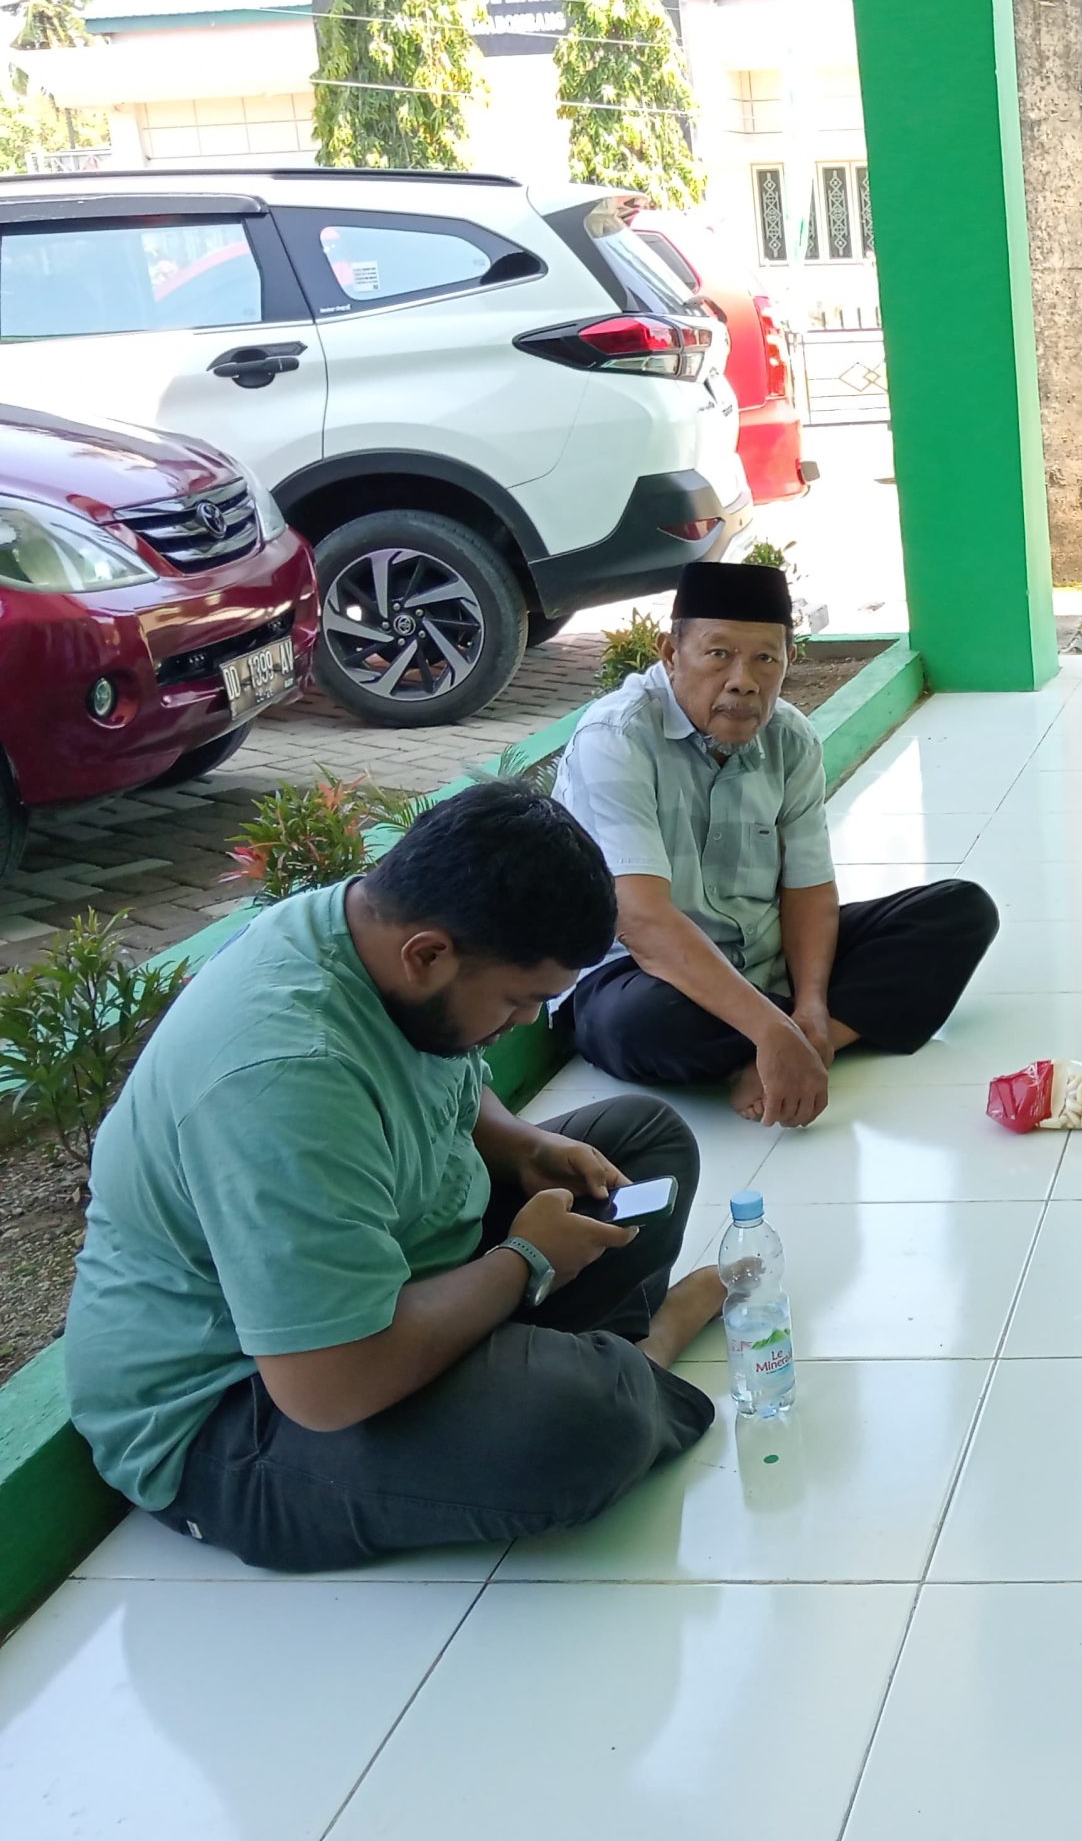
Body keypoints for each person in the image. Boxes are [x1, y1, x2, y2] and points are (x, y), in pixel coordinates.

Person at [64, 785, 727, 1573]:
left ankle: (585, 1363)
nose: (525, 1022)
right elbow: (327, 1386)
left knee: (643, 1140)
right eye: (518, 1001)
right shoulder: (282, 1078)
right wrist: (524, 1262)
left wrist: (520, 1146)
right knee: (583, 1424)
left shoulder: (364, 930)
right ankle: (639, 1358)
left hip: (394, 1270)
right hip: (244, 1411)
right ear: (428, 955)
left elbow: (448, 1067)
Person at [555, 558, 999, 1128]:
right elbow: (642, 922)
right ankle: (775, 1040)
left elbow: (808, 887)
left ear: (789, 659)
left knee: (960, 911)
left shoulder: (789, 737)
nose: (743, 680)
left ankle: (804, 1043)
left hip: (764, 959)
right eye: (719, 654)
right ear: (670, 653)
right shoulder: (617, 738)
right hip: (643, 973)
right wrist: (770, 1026)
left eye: (766, 658)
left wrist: (809, 1005)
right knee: (643, 1024)